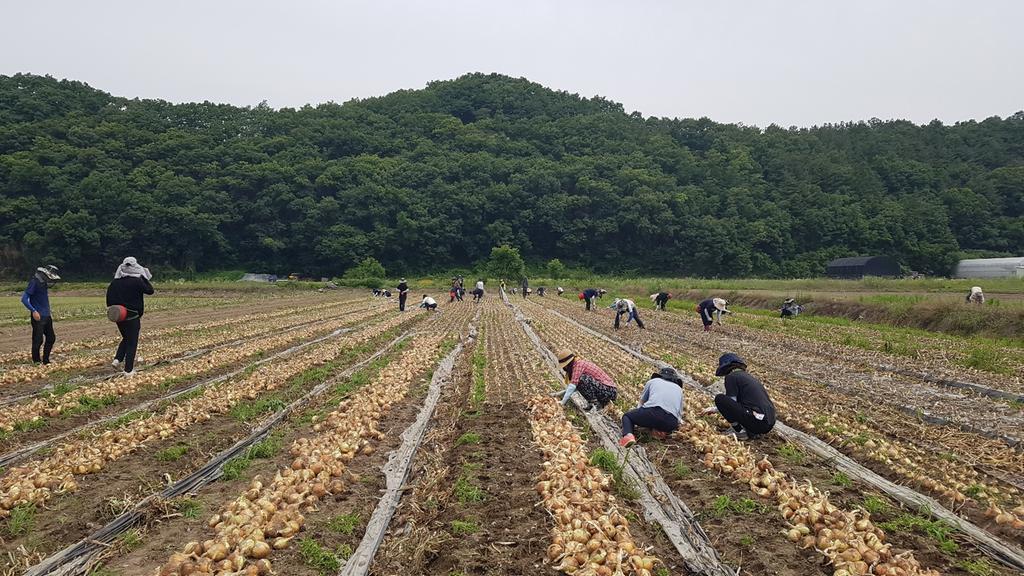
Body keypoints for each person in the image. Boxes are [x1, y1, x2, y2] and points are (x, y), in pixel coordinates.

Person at [702, 353, 776, 441]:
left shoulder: (731, 377)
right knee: (742, 405)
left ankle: (739, 432)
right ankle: (751, 431)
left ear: (726, 368)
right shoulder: (747, 377)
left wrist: (714, 409)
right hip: (769, 421)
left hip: (757, 421)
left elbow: (730, 402)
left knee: (720, 399)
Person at [106, 257, 154, 376]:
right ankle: (128, 370)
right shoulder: (137, 281)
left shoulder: (115, 282)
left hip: (118, 315)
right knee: (132, 342)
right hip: (132, 315)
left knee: (127, 337)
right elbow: (150, 290)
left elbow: (109, 300)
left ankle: (117, 359)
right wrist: (143, 277)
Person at [619, 366, 685, 448]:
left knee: (627, 416)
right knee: (659, 421)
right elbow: (679, 416)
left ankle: (628, 436)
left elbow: (642, 403)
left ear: (660, 375)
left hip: (653, 413)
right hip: (670, 422)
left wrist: (638, 415)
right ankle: (661, 431)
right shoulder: (679, 389)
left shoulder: (653, 381)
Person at [549, 348, 617, 411]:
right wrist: (557, 394)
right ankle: (595, 404)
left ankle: (594, 404)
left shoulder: (578, 365)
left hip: (609, 391)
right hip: (604, 390)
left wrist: (563, 402)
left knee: (582, 379)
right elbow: (574, 387)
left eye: (565, 366)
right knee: (580, 381)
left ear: (568, 363)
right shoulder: (577, 364)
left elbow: (573, 386)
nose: (564, 368)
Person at [21, 265, 61, 364]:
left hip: (46, 315)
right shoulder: (34, 282)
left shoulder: (43, 284)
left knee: (51, 338)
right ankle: (36, 361)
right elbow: (24, 299)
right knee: (38, 340)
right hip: (38, 316)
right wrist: (33, 311)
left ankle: (46, 360)